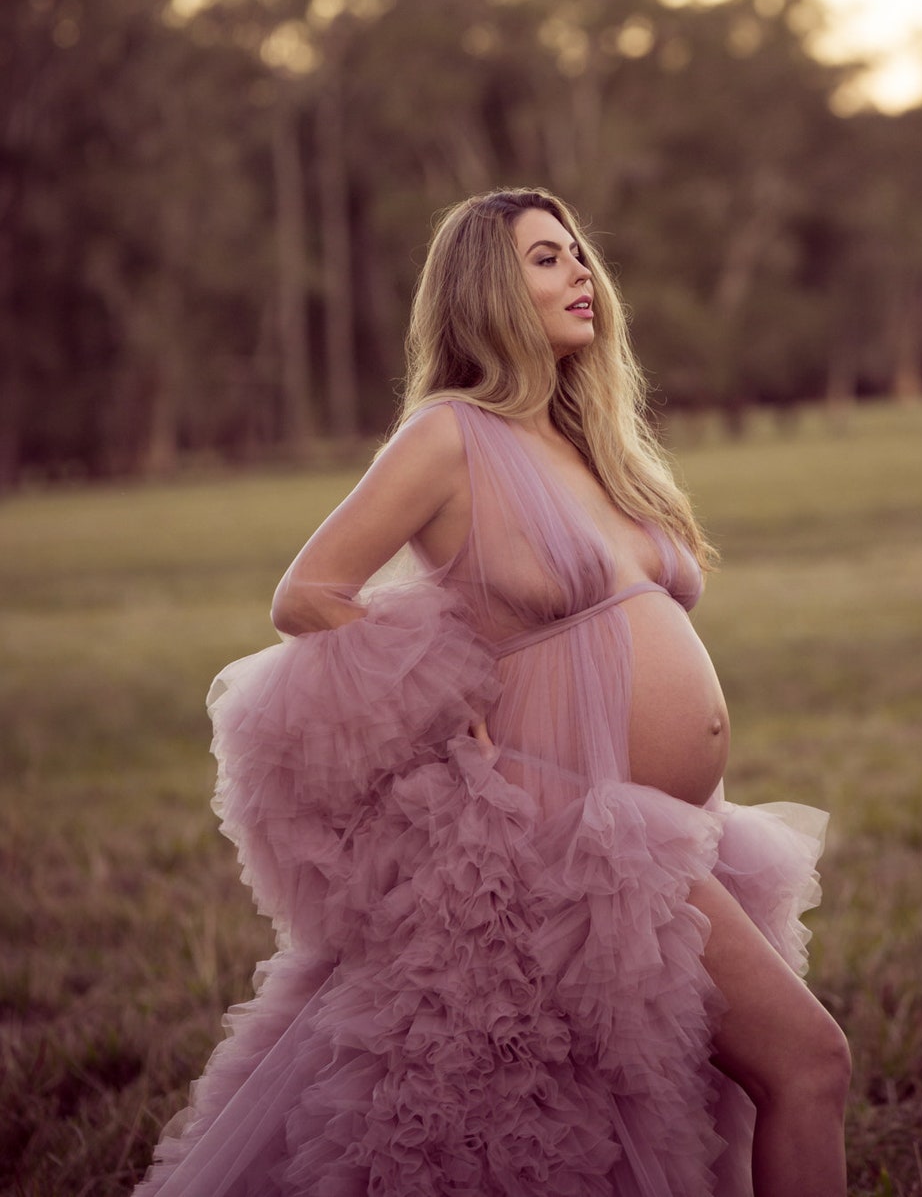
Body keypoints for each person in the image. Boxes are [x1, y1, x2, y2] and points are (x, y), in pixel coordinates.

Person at [136, 187, 849, 1197]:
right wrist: (429, 689)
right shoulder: (448, 436)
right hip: (566, 829)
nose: (581, 275)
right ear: (486, 289)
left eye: (581, 256)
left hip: (673, 826)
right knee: (808, 1064)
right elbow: (308, 594)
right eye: (548, 259)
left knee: (631, 1120)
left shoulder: (592, 442)